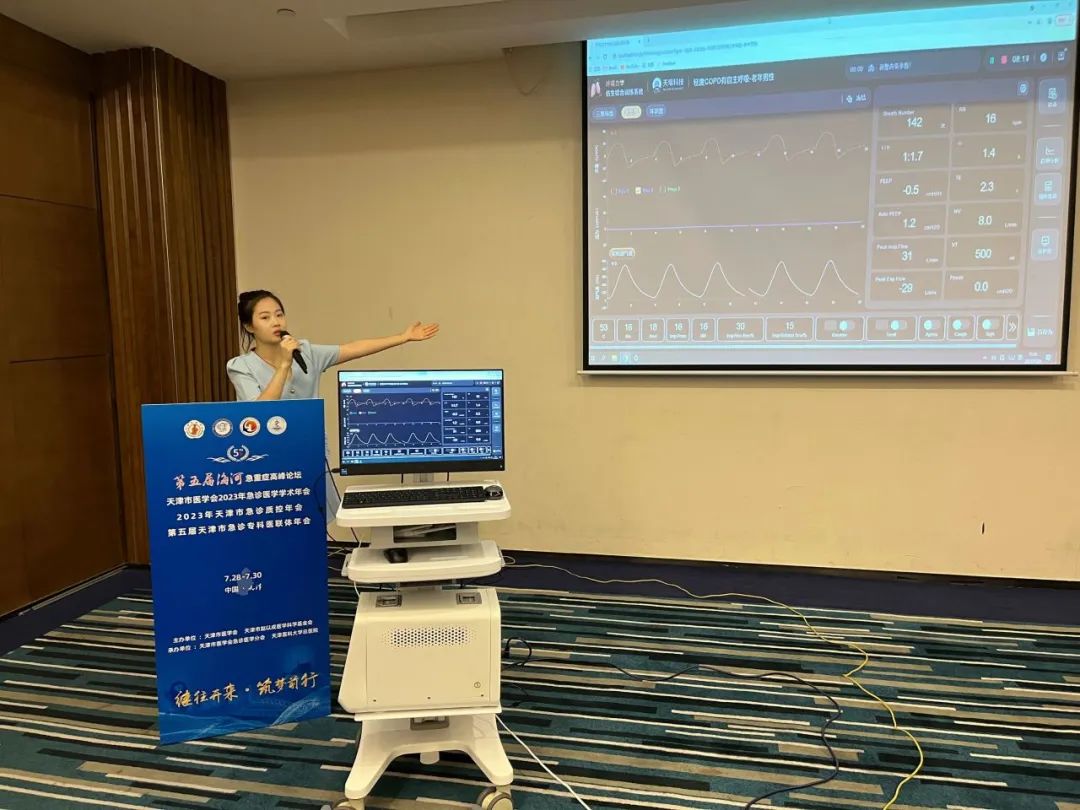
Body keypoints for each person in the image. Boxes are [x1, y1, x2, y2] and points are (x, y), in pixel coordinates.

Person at [227, 289, 439, 401]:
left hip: (313, 448)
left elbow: (352, 349)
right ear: (249, 326)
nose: (276, 322)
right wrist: (284, 366)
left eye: (279, 314)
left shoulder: (306, 351)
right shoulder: (240, 367)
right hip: (267, 454)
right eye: (265, 317)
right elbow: (258, 414)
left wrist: (403, 337)